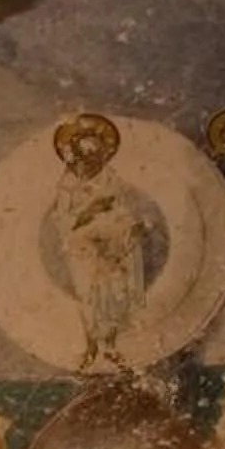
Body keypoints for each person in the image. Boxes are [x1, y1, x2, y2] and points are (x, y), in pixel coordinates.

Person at [45, 112, 163, 373]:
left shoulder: (111, 178)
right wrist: (90, 211)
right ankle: (91, 347)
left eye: (96, 150)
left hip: (112, 246)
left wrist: (131, 227)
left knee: (113, 297)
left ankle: (109, 347)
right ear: (77, 152)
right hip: (84, 248)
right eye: (86, 151)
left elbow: (120, 210)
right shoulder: (68, 183)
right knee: (89, 297)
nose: (91, 156)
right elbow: (63, 220)